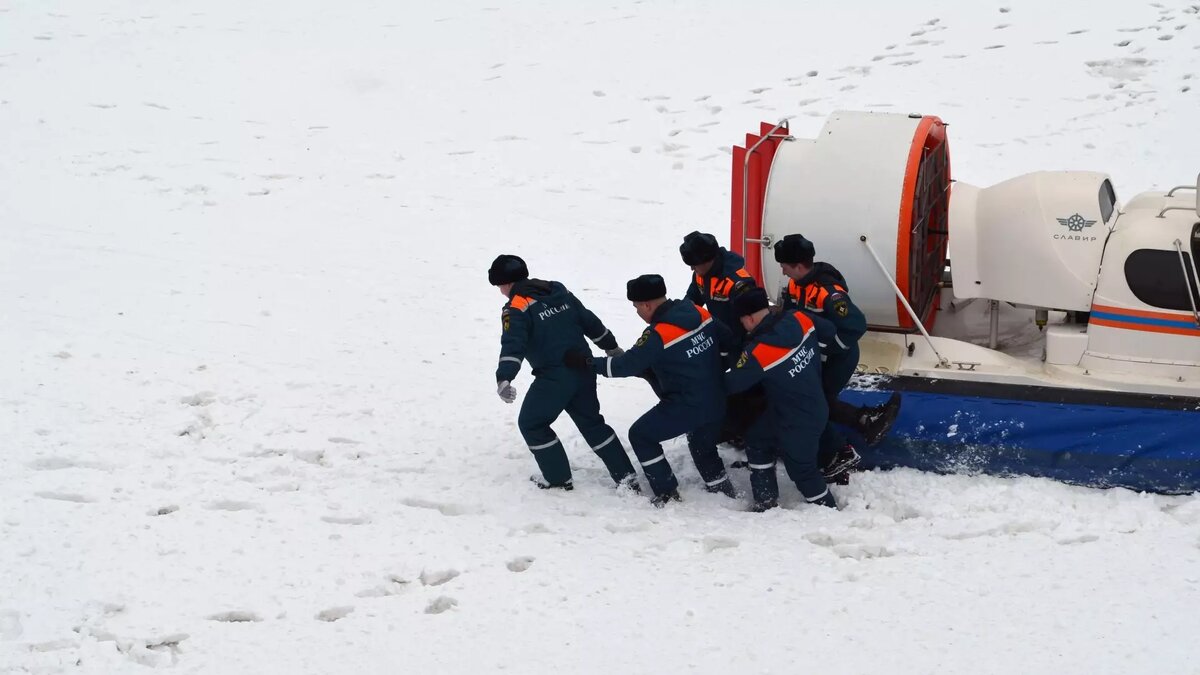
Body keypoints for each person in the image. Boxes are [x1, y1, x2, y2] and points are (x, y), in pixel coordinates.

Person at [567, 274, 737, 506]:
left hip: (686, 404)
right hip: (717, 398)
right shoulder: (698, 312)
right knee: (702, 444)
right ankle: (723, 492)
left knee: (641, 435)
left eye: (637, 307)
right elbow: (728, 341)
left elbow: (626, 366)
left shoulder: (659, 334)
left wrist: (587, 363)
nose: (637, 312)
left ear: (647, 304)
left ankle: (667, 493)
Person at [490, 254, 639, 492]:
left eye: (499, 285)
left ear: (505, 283)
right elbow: (588, 320)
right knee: (593, 423)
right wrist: (610, 346)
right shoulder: (556, 290)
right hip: (584, 367)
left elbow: (513, 343)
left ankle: (558, 478)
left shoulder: (516, 306)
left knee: (532, 423)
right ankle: (626, 477)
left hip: (554, 378)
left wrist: (504, 377)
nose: (500, 290)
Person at [773, 234, 901, 481]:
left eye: (785, 266)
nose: (782, 270)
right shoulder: (794, 285)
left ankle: (842, 450)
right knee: (814, 402)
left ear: (799, 266)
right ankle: (863, 424)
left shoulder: (828, 292)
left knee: (814, 405)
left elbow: (855, 326)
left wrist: (830, 348)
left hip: (837, 358)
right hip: (814, 357)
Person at [724, 288, 839, 511]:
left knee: (803, 471)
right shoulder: (799, 318)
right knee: (757, 438)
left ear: (748, 318)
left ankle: (830, 514)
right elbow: (830, 331)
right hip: (808, 406)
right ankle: (765, 501)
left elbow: (731, 385)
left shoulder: (759, 352)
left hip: (798, 422)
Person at [680, 231, 757, 342]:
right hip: (717, 336)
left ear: (707, 260)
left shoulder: (737, 281)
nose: (692, 269)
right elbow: (692, 299)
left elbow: (753, 321)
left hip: (740, 342)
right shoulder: (700, 274)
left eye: (694, 264)